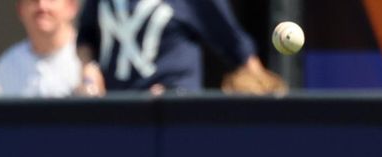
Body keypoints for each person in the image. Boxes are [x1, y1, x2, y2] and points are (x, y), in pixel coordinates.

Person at [75, 0, 286, 95]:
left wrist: (264, 96)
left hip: (173, 117)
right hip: (117, 117)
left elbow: (235, 45)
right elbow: (87, 36)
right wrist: (89, 72)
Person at [0, 0, 94, 97]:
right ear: (20, 9)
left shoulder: (93, 59)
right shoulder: (7, 64)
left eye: (51, 0)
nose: (42, 7)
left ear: (71, 6)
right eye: (33, 0)